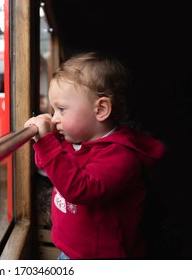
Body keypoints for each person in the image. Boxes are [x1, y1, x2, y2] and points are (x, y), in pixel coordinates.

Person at [24, 51, 165, 259]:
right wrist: (48, 141)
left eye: (61, 109)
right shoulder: (78, 141)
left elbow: (79, 189)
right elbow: (47, 167)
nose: (54, 120)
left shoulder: (122, 156)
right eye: (54, 111)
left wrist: (47, 143)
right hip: (70, 249)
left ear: (101, 110)